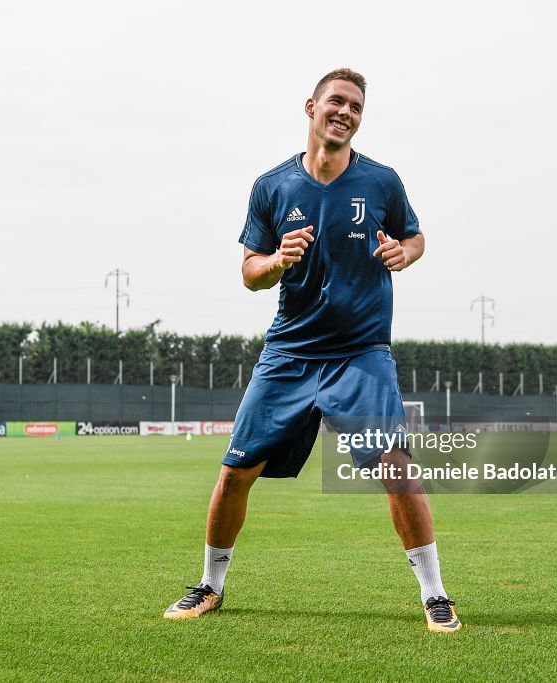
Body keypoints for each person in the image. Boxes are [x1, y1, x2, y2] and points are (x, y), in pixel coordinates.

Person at [163, 68, 461, 633]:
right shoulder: (272, 187)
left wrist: (406, 253)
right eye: (336, 102)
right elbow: (250, 272)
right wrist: (277, 261)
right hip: (290, 353)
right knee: (235, 471)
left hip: (360, 352)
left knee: (396, 467)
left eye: (354, 106)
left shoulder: (382, 182)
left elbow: (415, 237)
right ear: (311, 107)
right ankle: (209, 584)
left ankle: (436, 595)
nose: (345, 112)